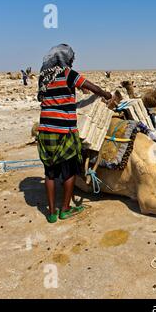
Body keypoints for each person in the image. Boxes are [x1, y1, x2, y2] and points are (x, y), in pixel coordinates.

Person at [37, 44, 112, 223]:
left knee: (49, 173)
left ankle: (52, 213)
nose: (72, 61)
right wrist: (105, 93)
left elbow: (44, 97)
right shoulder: (68, 73)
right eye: (71, 58)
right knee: (69, 171)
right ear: (64, 59)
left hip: (45, 130)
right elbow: (91, 87)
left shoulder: (43, 78)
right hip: (64, 131)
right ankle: (65, 209)